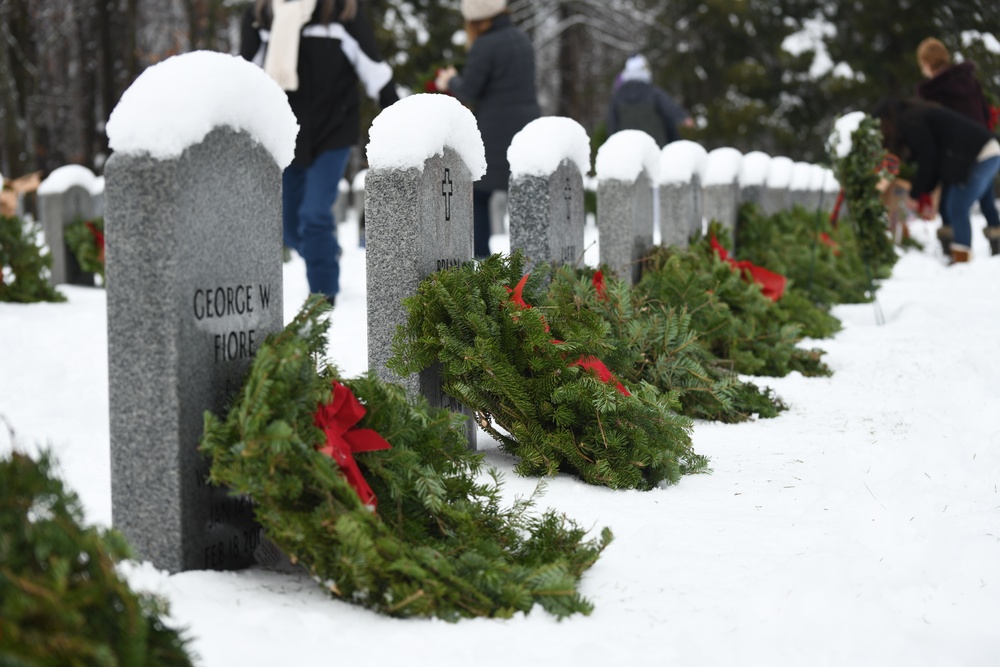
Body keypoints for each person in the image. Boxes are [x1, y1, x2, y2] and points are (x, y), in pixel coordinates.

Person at [240, 0, 398, 305]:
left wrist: (400, 117)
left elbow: (374, 70)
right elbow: (246, 75)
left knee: (314, 216)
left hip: (333, 131)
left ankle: (324, 300)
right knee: (288, 227)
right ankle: (324, 249)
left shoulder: (341, 10)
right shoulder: (262, 14)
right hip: (288, 133)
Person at [433, 0, 540, 259]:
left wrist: (450, 80)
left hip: (495, 130)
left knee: (479, 194)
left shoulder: (485, 44)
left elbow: (469, 89)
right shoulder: (521, 39)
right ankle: (531, 261)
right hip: (528, 127)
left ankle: (481, 260)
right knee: (524, 193)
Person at [874, 97, 1000, 264]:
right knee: (953, 204)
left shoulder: (909, 121)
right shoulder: (917, 115)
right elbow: (933, 159)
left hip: (980, 155)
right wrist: (923, 189)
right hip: (983, 152)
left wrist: (916, 193)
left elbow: (928, 158)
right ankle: (961, 253)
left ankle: (962, 259)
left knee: (957, 206)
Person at [915, 37, 1000, 255]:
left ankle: (959, 254)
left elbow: (939, 136)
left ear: (926, 63)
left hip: (963, 153)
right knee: (986, 200)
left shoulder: (935, 93)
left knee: (954, 205)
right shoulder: (969, 81)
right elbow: (984, 114)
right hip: (988, 145)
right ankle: (995, 246)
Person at [608, 54, 692, 148]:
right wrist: (683, 117)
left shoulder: (618, 96)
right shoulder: (653, 92)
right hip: (655, 147)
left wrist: (613, 144)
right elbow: (669, 106)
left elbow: (612, 122)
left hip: (629, 149)